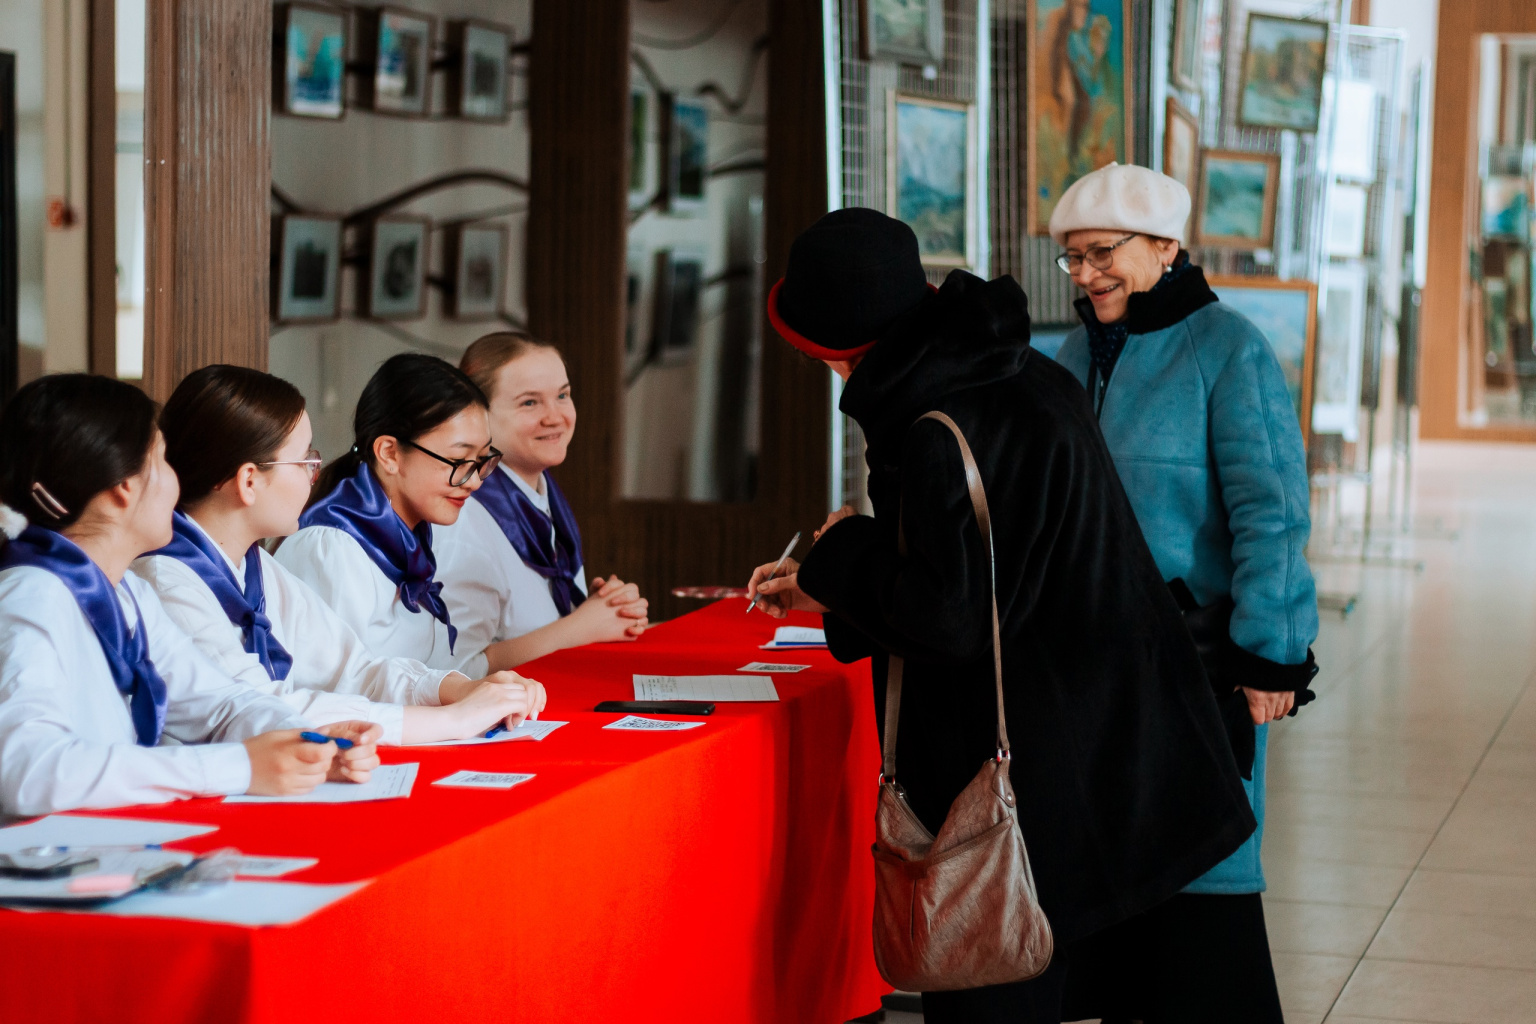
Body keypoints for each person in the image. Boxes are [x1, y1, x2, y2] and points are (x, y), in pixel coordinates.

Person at [745, 207, 1256, 1023]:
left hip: (1029, 765)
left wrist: (844, 553)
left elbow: (947, 616)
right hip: (1107, 738)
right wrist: (832, 587)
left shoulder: (932, 422)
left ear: (834, 349)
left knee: (996, 990)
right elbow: (993, 576)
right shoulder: (1010, 369)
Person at [1046, 161, 1319, 1023]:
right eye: (1074, 258)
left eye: (1104, 253)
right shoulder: (1071, 354)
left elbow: (1273, 511)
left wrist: (1271, 654)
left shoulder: (1229, 347)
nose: (1087, 275)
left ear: (1166, 246)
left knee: (1204, 885)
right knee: (1116, 887)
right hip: (1094, 673)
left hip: (1197, 669)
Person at [0, 374, 380, 817]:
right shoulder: (31, 596)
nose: (178, 480)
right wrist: (239, 766)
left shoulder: (128, 594)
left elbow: (219, 704)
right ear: (124, 487)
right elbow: (27, 770)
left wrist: (302, 741)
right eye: (163, 461)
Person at [134, 365, 547, 746]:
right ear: (249, 481)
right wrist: (452, 720)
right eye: (305, 461)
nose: (315, 475)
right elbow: (257, 709)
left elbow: (355, 670)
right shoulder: (167, 582)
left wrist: (458, 689)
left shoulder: (258, 568)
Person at [276, 354, 499, 678]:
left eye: (482, 460)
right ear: (389, 453)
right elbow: (334, 688)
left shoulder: (409, 537)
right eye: (458, 461)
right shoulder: (333, 550)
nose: (475, 481)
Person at [435, 333, 648, 669]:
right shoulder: (462, 519)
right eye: (530, 403)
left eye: (562, 395)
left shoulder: (546, 499)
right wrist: (579, 628)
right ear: (477, 414)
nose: (555, 417)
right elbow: (453, 670)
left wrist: (601, 610)